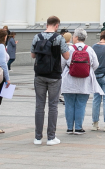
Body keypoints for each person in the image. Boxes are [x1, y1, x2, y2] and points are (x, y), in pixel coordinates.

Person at [31, 15, 69, 145]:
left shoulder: (37, 37)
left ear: (47, 24)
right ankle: (51, 137)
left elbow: (32, 55)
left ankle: (37, 138)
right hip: (54, 75)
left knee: (39, 106)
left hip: (39, 74)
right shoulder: (59, 38)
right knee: (53, 106)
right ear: (57, 25)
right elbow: (66, 55)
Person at [62, 28, 100, 135]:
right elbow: (96, 65)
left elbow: (61, 64)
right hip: (84, 82)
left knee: (69, 105)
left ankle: (70, 128)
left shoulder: (68, 49)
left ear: (76, 37)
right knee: (81, 105)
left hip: (69, 81)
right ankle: (78, 128)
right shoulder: (90, 49)